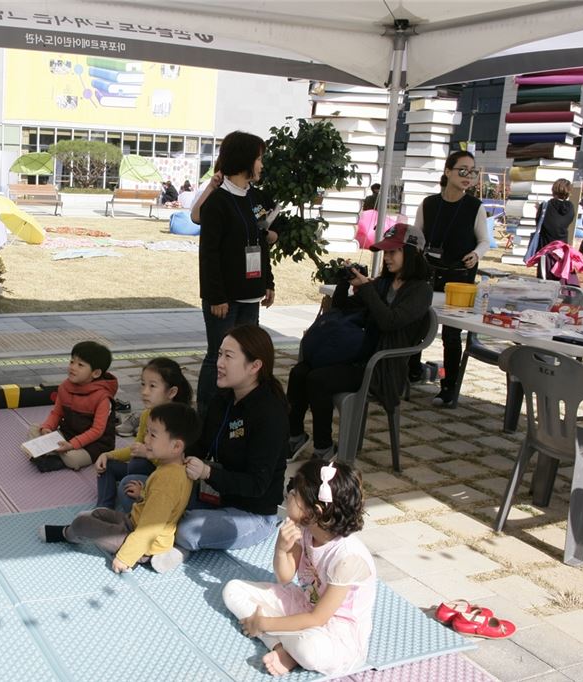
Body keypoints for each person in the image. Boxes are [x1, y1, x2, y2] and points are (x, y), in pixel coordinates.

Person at [287, 224, 433, 460]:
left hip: (380, 367)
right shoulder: (383, 283)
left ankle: (324, 448)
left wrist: (367, 288)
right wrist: (344, 281)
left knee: (318, 380)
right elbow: (342, 307)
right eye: (385, 252)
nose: (387, 258)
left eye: (393, 252)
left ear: (413, 252)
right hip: (355, 354)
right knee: (299, 372)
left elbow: (389, 321)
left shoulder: (421, 291)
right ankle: (294, 436)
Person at [222, 459, 374, 677]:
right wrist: (281, 549)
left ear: (315, 511)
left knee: (308, 649)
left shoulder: (347, 558)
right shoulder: (304, 528)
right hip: (304, 604)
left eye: (296, 492)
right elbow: (284, 577)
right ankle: (281, 648)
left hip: (335, 632)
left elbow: (317, 619)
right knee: (233, 590)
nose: (289, 493)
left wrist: (264, 624)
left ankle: (286, 645)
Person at [175, 325, 290, 568]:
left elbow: (257, 485)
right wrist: (169, 452)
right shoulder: (223, 399)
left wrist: (208, 473)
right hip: (215, 497)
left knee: (187, 528)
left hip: (252, 514)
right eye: (219, 354)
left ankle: (175, 537)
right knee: (138, 486)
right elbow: (201, 445)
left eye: (228, 356)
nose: (219, 363)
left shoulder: (269, 413)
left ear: (254, 366)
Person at [39, 402, 198, 575]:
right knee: (99, 513)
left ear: (176, 446)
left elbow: (150, 528)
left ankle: (67, 533)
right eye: (147, 432)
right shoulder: (175, 468)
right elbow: (167, 505)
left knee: (82, 523)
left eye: (153, 435)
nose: (146, 439)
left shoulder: (167, 480)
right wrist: (142, 494)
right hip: (134, 523)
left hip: (144, 544)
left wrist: (125, 558)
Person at [196, 131, 276, 414]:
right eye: (259, 158)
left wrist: (268, 282)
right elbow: (209, 254)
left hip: (251, 295)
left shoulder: (256, 198)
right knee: (218, 356)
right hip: (224, 299)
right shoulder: (218, 201)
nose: (262, 165)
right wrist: (216, 296)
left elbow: (262, 242)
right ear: (244, 160)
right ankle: (206, 415)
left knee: (244, 356)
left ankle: (235, 411)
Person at [408, 150, 489, 407]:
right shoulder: (429, 203)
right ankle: (412, 371)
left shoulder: (475, 207)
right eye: (462, 170)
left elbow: (484, 241)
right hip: (429, 274)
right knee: (416, 323)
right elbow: (417, 235)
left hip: (459, 278)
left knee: (452, 335)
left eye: (472, 171)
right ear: (447, 171)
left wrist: (476, 254)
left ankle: (449, 387)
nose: (468, 176)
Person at [94, 358, 192, 512]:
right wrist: (108, 455)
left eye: (152, 386)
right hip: (147, 469)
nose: (144, 392)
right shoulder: (147, 414)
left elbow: (177, 467)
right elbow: (136, 448)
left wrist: (147, 454)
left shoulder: (179, 420)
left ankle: (140, 510)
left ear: (171, 392)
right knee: (107, 466)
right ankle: (103, 509)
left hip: (165, 479)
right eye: (143, 384)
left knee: (130, 478)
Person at [28, 341, 118, 472]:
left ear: (96, 373)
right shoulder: (65, 387)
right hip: (68, 434)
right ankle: (51, 454)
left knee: (73, 459)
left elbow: (97, 431)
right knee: (35, 428)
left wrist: (72, 445)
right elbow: (57, 413)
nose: (73, 367)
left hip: (94, 444)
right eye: (71, 362)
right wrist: (48, 427)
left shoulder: (103, 397)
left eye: (80, 365)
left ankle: (50, 456)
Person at [533, 179, 575, 279]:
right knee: (558, 274)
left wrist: (538, 210)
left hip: (546, 246)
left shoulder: (545, 206)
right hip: (562, 245)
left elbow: (539, 224)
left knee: (544, 275)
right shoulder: (570, 207)